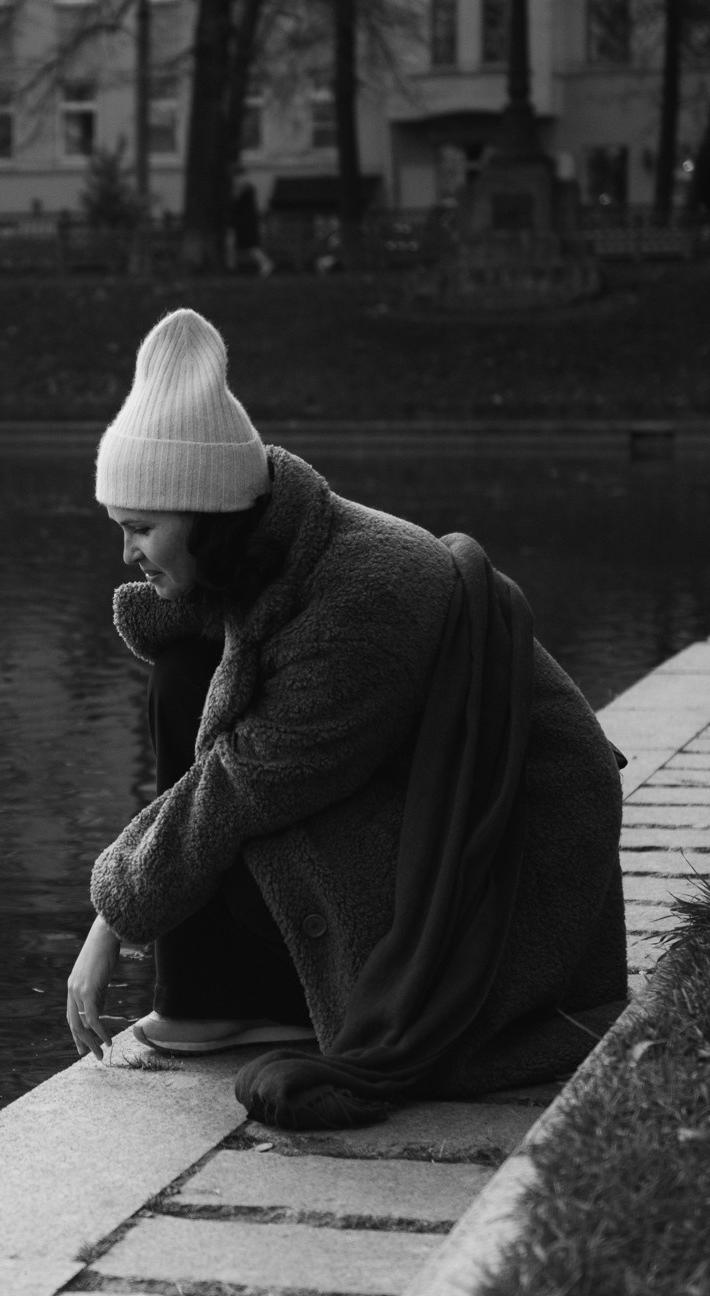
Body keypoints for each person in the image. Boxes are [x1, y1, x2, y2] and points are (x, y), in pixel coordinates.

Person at [64, 309, 628, 1129]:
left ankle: (229, 999)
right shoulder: (280, 545)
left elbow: (238, 788)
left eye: (141, 530)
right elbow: (192, 661)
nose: (127, 554)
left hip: (523, 873)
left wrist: (110, 918)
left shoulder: (361, 600)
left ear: (208, 516)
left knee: (241, 803)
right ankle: (212, 996)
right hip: (423, 811)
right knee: (186, 671)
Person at [229, 174, 274, 277]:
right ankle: (232, 266)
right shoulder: (247, 195)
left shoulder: (244, 194)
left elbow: (236, 201)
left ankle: (265, 263)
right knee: (247, 247)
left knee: (251, 247)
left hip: (245, 225)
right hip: (244, 224)